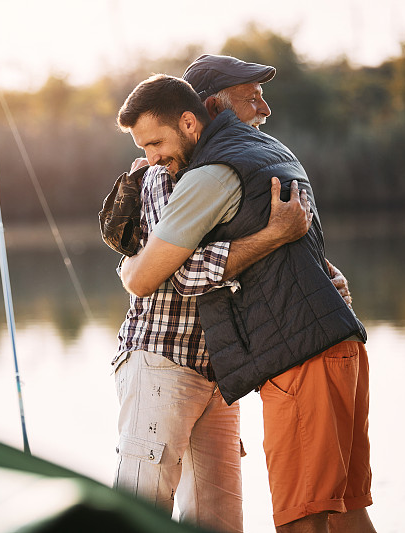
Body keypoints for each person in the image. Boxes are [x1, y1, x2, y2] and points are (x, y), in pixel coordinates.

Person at [116, 60, 375, 533]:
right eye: (251, 95)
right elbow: (154, 276)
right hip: (184, 359)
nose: (264, 108)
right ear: (209, 107)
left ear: (195, 119)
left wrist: (315, 270)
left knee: (304, 518)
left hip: (282, 356)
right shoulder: (247, 158)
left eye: (156, 144)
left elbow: (177, 273)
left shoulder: (223, 167)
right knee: (342, 514)